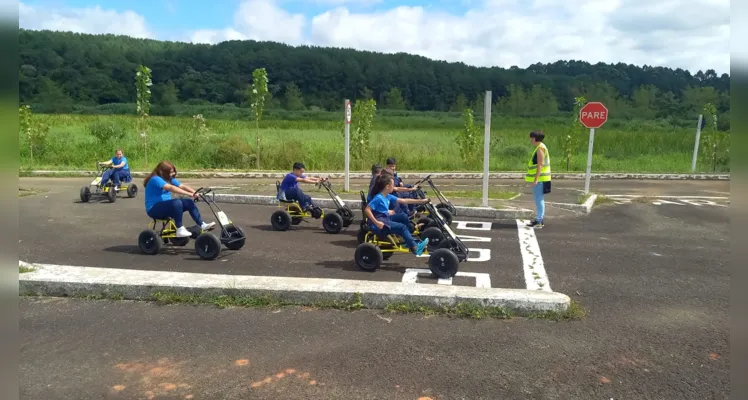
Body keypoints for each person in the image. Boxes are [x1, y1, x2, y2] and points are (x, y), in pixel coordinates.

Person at [144, 160, 215, 238]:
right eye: (171, 172)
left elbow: (182, 186)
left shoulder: (169, 179)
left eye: (173, 171)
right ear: (162, 172)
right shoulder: (155, 179)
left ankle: (202, 224)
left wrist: (195, 193)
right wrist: (189, 194)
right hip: (154, 209)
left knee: (189, 202)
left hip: (167, 207)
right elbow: (171, 188)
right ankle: (180, 229)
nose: (173, 173)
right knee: (177, 202)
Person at [365, 173, 430, 256]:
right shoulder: (378, 198)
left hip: (385, 218)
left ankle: (407, 241)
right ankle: (416, 248)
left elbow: (403, 201)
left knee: (403, 216)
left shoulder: (387, 196)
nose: (394, 186)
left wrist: (422, 201)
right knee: (402, 227)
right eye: (392, 184)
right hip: (379, 224)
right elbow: (367, 209)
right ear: (387, 186)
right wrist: (377, 223)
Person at [525, 131, 551, 228]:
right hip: (541, 179)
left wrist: (535, 180)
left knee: (539, 199)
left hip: (540, 179)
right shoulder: (540, 147)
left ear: (536, 138)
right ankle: (539, 219)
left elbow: (540, 165)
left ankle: (539, 220)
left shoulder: (540, 148)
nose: (530, 140)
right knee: (539, 199)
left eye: (531, 138)